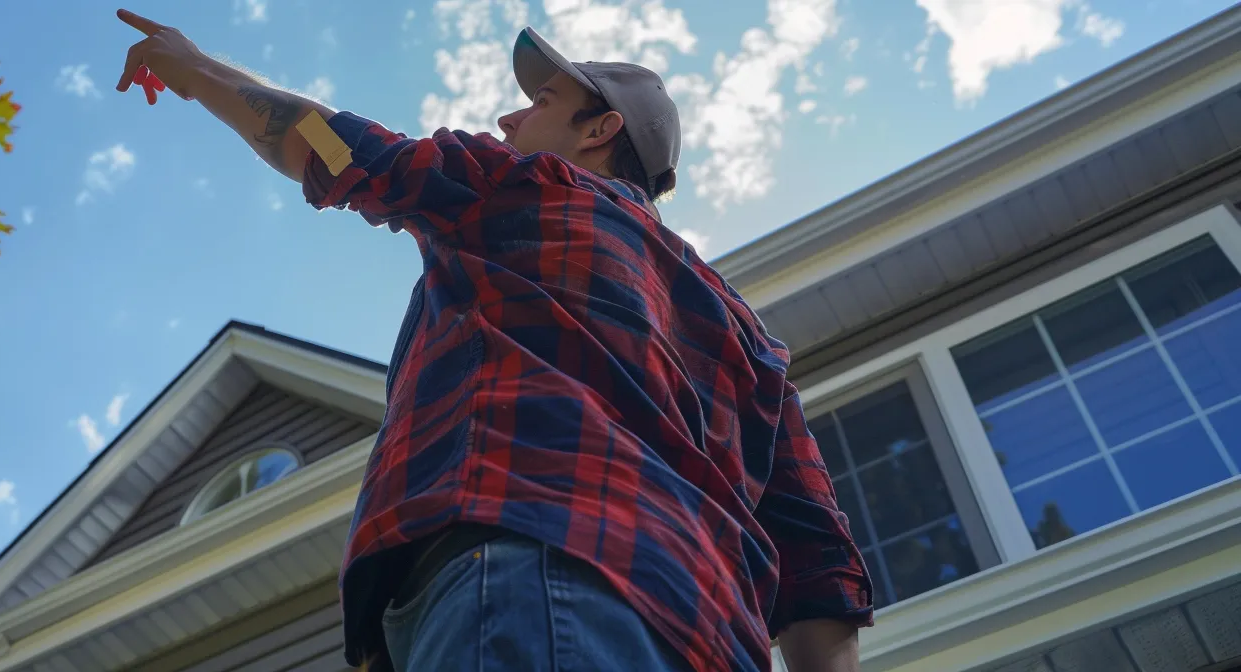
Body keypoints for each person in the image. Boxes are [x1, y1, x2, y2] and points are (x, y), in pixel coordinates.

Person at [112, 8, 874, 672]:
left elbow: (338, 150)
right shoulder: (749, 339)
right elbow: (821, 574)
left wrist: (195, 69)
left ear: (601, 128)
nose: (509, 121)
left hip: (533, 571)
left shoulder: (524, 187)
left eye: (541, 100)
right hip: (711, 636)